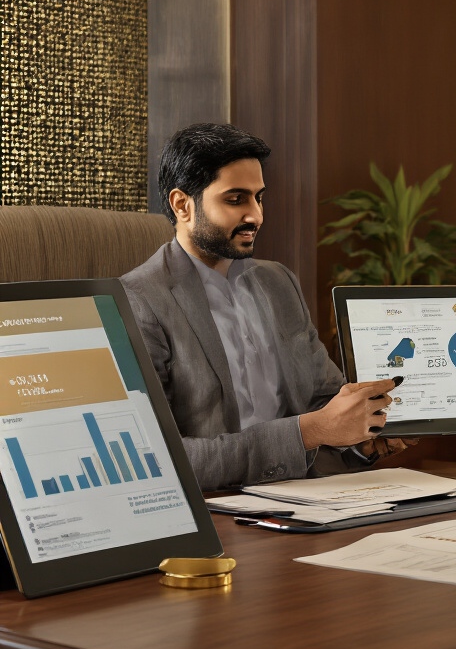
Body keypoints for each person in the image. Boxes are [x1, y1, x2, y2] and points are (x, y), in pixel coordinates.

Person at [123, 123, 412, 490]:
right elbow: (156, 459)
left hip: (312, 497)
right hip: (219, 510)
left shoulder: (278, 282)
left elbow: (324, 399)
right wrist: (306, 433)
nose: (256, 216)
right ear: (183, 205)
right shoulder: (139, 301)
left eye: (259, 197)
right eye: (235, 199)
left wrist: (361, 441)